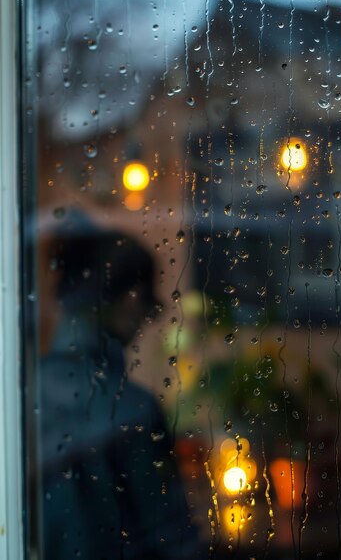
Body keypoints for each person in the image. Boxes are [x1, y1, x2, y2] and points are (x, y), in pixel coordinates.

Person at [39, 210, 201, 559]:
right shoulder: (132, 410)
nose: (147, 319)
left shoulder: (19, 395)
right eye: (150, 305)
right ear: (131, 297)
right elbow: (174, 541)